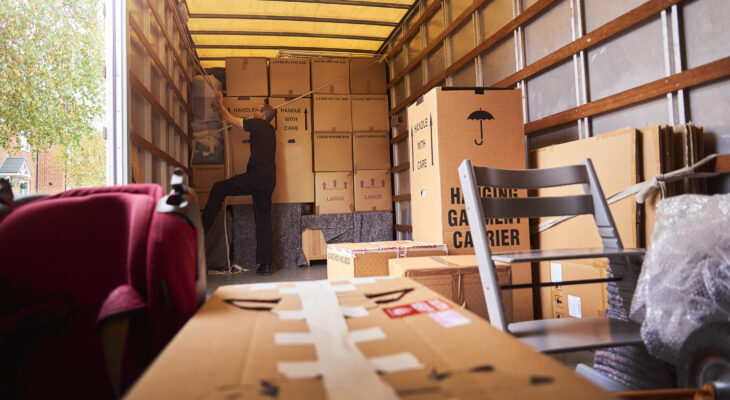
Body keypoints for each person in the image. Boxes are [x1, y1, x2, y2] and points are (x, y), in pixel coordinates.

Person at [203, 94, 277, 276]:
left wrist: (221, 103)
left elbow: (231, 120)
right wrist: (220, 110)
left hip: (256, 177)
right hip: (268, 180)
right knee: (263, 221)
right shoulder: (268, 131)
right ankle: (265, 266)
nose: (253, 111)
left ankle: (199, 232)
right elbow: (231, 121)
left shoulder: (259, 124)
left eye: (257, 109)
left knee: (218, 188)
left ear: (263, 115)